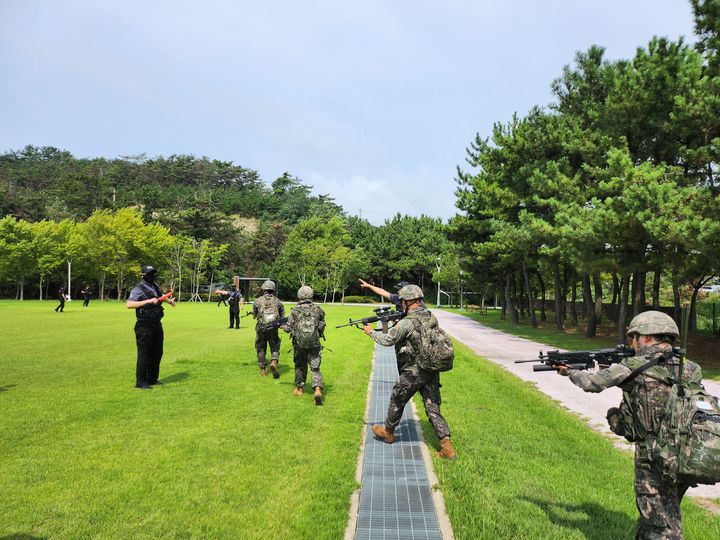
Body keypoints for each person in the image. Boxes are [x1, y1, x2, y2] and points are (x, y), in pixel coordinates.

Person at [555, 310, 707, 539]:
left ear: (645, 337)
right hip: (685, 454)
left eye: (633, 337)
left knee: (662, 525)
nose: (631, 342)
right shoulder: (691, 367)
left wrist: (569, 372)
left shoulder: (634, 365)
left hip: (654, 458)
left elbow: (592, 383)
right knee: (660, 513)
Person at [363, 284, 456, 460]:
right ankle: (447, 446)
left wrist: (370, 333)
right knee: (432, 406)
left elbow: (389, 339)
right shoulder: (430, 315)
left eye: (402, 301)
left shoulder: (407, 322)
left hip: (414, 370)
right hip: (431, 368)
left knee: (397, 398)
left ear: (407, 302)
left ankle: (388, 433)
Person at [126, 265, 176, 389]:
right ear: (143, 275)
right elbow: (129, 304)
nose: (152, 276)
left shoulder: (155, 286)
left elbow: (160, 297)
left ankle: (153, 378)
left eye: (153, 273)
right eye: (149, 273)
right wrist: (147, 301)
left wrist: (170, 301)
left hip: (156, 323)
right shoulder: (138, 288)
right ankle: (141, 382)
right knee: (145, 354)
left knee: (157, 352)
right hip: (144, 324)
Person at [282, 285, 326, 405]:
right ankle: (317, 390)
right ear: (311, 295)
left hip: (299, 344)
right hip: (315, 343)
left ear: (299, 295)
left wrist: (281, 326)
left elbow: (288, 328)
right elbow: (322, 324)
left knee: (300, 366)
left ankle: (300, 389)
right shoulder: (318, 309)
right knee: (315, 367)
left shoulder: (295, 311)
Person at [252, 280, 285, 378]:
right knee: (275, 346)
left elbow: (254, 315)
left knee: (261, 348)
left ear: (263, 289)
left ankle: (263, 370)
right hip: (273, 329)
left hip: (261, 329)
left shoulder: (257, 301)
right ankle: (274, 362)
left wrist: (254, 313)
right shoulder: (278, 302)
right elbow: (282, 318)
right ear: (273, 290)